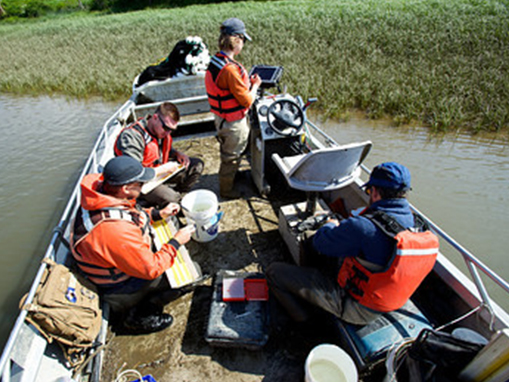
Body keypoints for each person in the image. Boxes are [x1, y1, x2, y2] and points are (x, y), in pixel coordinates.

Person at [266, 162, 439, 326]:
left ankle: (307, 325)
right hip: (391, 298)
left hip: (357, 308)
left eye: (370, 190)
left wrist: (330, 224)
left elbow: (320, 243)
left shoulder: (364, 227)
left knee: (275, 272)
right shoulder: (420, 225)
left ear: (376, 193)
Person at [70, 156, 197, 334]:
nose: (144, 184)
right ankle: (137, 315)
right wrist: (176, 241)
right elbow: (151, 269)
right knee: (189, 275)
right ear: (126, 188)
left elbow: (131, 214)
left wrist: (159, 214)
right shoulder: (115, 230)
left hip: (120, 255)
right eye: (140, 182)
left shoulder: (104, 194)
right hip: (119, 284)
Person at [205, 17, 262, 198]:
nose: (243, 44)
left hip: (221, 119)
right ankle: (227, 190)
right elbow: (246, 101)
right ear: (236, 39)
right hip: (232, 123)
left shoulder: (216, 60)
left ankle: (230, 180)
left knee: (229, 152)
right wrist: (255, 86)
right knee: (231, 157)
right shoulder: (230, 69)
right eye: (243, 40)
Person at [115, 101, 204, 208]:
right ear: (155, 117)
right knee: (171, 198)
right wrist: (164, 169)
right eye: (166, 128)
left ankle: (178, 195)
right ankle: (171, 201)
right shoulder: (132, 137)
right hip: (141, 184)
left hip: (159, 174)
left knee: (196, 165)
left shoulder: (159, 132)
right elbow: (134, 173)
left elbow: (161, 150)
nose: (168, 133)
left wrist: (176, 153)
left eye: (172, 130)